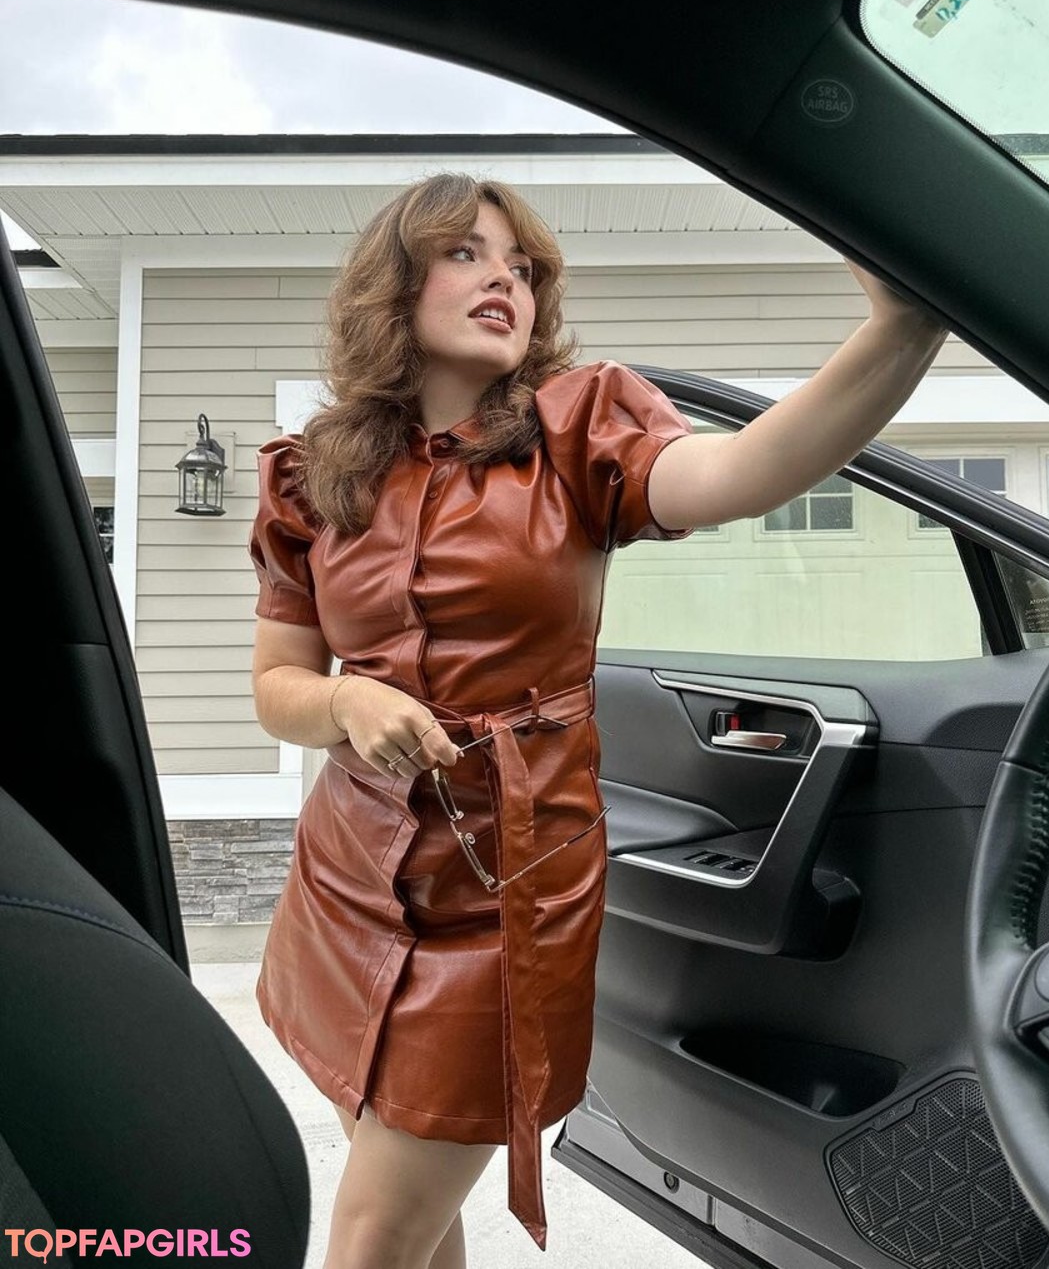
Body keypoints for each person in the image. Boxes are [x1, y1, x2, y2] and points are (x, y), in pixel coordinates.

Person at [248, 172, 948, 1269]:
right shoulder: (311, 475)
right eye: (467, 253)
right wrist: (345, 697)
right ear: (395, 284)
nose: (505, 279)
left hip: (505, 892)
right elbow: (278, 684)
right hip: (347, 875)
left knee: (375, 1228)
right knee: (409, 1210)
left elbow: (743, 469)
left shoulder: (577, 429)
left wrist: (900, 332)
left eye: (521, 266)